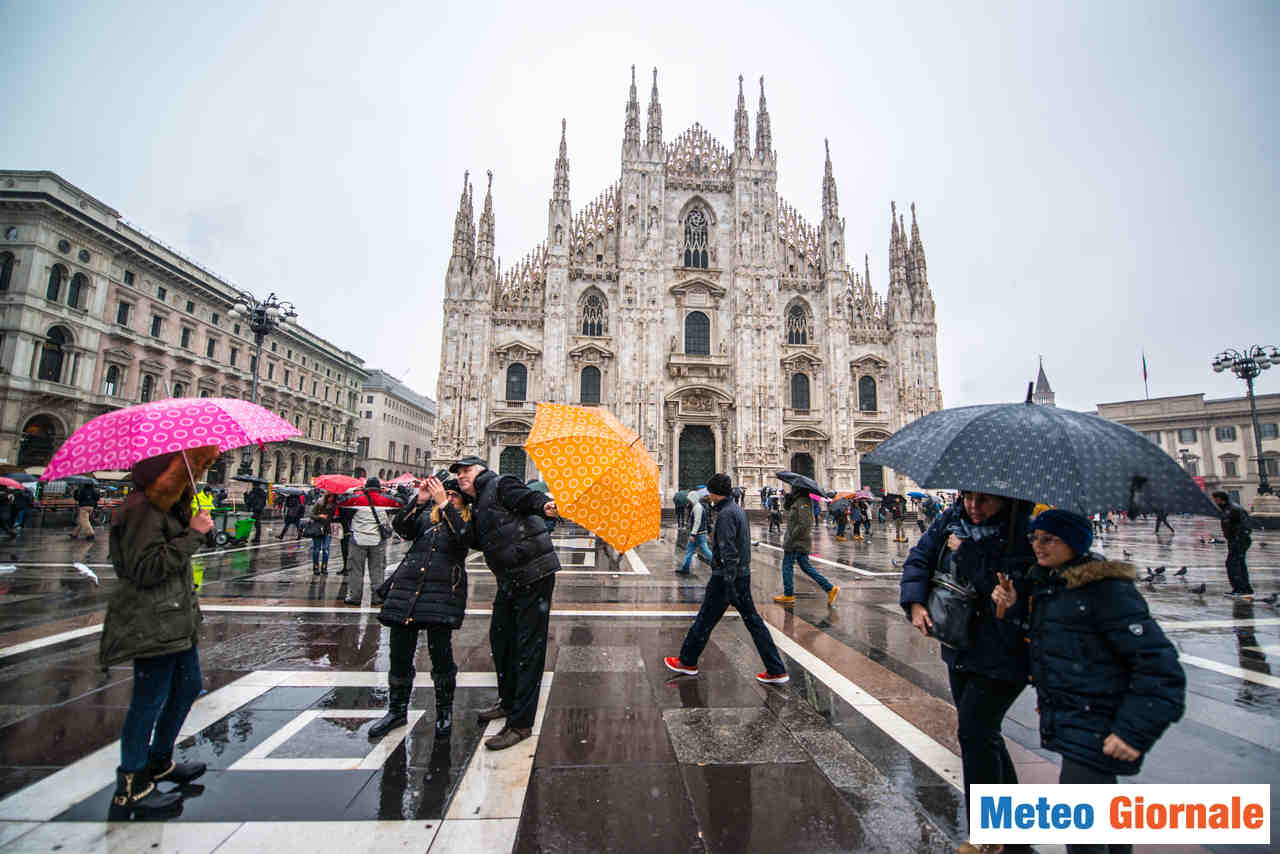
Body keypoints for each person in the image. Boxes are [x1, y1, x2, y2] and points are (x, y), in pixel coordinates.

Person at [992, 509, 1184, 854]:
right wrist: (1010, 610)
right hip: (1070, 716)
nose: (1038, 545)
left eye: (1048, 539)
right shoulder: (1050, 586)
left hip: (1098, 719)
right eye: (1035, 537)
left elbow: (1161, 667)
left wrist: (1133, 732)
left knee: (1082, 829)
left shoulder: (1106, 590)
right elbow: (1036, 649)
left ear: (1075, 542)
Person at [899, 491, 1034, 854]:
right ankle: (1013, 825)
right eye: (968, 497)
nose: (973, 506)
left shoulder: (1025, 535)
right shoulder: (951, 520)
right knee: (985, 734)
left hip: (1005, 651)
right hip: (960, 642)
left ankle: (988, 834)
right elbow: (920, 556)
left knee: (974, 733)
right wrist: (913, 602)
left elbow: (1012, 590)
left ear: (1006, 500)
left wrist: (970, 555)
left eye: (984, 500)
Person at [101, 447, 219, 819]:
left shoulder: (168, 507)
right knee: (148, 700)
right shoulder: (139, 509)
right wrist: (192, 536)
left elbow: (178, 550)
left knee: (187, 685)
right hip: (150, 619)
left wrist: (199, 528)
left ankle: (159, 760)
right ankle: (131, 785)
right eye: (187, 471)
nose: (193, 477)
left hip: (176, 617)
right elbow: (146, 569)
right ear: (166, 473)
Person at [450, 455, 560, 751]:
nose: (462, 476)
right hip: (511, 578)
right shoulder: (478, 503)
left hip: (534, 573)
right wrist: (455, 508)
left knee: (528, 648)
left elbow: (527, 498)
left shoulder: (500, 484)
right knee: (501, 641)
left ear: (482, 470)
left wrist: (545, 506)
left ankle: (521, 723)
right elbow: (470, 540)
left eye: (467, 471)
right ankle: (508, 701)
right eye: (459, 473)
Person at [369, 475, 470, 740]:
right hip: (408, 587)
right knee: (400, 655)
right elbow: (403, 529)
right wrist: (421, 499)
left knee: (441, 657)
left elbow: (464, 538)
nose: (448, 498)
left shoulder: (469, 518)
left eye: (454, 495)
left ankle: (444, 712)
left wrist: (444, 504)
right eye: (445, 493)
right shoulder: (429, 513)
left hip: (442, 591)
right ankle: (397, 710)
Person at [666, 473, 789, 685]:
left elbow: (728, 548)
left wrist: (728, 579)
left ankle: (687, 661)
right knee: (752, 622)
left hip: (727, 578)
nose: (709, 496)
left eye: (710, 492)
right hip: (740, 575)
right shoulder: (737, 510)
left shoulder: (725, 515)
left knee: (705, 618)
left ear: (715, 492)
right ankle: (776, 669)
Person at [338, 478, 401, 605]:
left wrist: (353, 491)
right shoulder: (385, 500)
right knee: (377, 570)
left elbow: (340, 502)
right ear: (379, 488)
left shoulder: (356, 499)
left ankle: (355, 597)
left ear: (365, 487)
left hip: (357, 539)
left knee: (355, 569)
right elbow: (403, 501)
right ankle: (377, 597)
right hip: (378, 540)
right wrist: (390, 491)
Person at [772, 487, 839, 606]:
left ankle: (788, 595)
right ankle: (830, 588)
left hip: (796, 542)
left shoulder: (804, 502)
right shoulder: (798, 501)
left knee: (787, 566)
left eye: (794, 489)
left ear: (799, 490)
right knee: (806, 566)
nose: (792, 490)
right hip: (798, 541)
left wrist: (792, 536)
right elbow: (791, 515)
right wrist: (788, 500)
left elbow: (804, 523)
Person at [1212, 491, 1253, 597]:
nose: (1214, 501)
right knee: (1239, 563)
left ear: (1220, 499)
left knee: (1233, 564)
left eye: (1215, 499)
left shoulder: (1233, 509)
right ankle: (1245, 588)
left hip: (1239, 540)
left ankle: (1239, 589)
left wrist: (1237, 538)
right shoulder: (1227, 509)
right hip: (1235, 540)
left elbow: (1246, 525)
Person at [677, 493, 713, 574]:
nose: (688, 500)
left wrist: (693, 534)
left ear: (693, 498)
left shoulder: (697, 507)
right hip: (699, 533)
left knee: (705, 551)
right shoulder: (697, 506)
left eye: (690, 498)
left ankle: (718, 565)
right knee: (690, 551)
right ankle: (685, 568)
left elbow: (697, 522)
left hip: (698, 534)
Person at [309, 493, 338, 576]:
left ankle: (324, 567)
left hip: (328, 529)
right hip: (318, 529)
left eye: (333, 497)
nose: (331, 499)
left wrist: (335, 517)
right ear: (327, 496)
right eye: (330, 496)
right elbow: (311, 515)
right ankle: (316, 567)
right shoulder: (319, 503)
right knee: (316, 549)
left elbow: (335, 518)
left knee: (326, 549)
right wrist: (320, 516)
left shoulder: (335, 505)